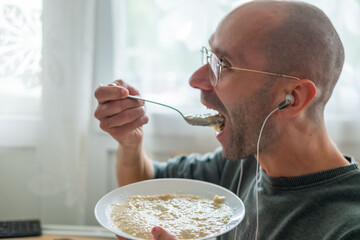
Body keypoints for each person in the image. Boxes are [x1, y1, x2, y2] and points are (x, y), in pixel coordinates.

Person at [94, 1, 360, 239]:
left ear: (293, 98)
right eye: (209, 56)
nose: (196, 80)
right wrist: (131, 144)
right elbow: (148, 186)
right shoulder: (243, 162)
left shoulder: (348, 228)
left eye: (223, 64)